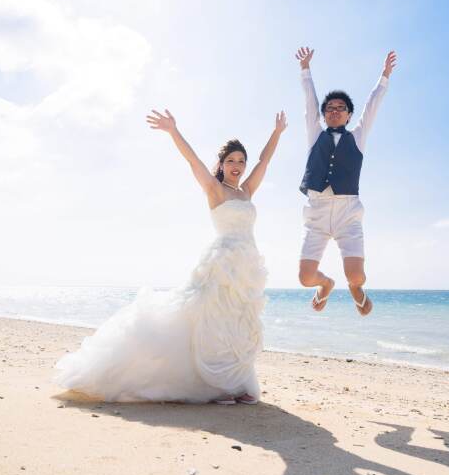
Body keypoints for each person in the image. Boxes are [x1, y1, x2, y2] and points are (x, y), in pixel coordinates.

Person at [55, 109, 287, 405]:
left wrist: (277, 133)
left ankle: (235, 383)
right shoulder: (215, 189)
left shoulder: (246, 192)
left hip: (247, 269)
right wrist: (173, 131)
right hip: (222, 264)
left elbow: (265, 160)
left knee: (238, 324)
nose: (237, 166)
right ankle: (217, 387)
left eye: (241, 161)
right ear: (222, 164)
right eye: (231, 161)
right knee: (214, 323)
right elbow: (193, 160)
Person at [295, 46, 397, 314]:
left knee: (356, 275)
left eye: (341, 108)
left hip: (347, 212)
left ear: (349, 114)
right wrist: (305, 70)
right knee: (305, 278)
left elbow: (372, 105)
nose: (335, 111)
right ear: (325, 114)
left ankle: (354, 288)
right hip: (316, 211)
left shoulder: (358, 136)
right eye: (329, 108)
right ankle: (326, 284)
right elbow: (309, 104)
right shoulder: (315, 133)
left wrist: (384, 75)